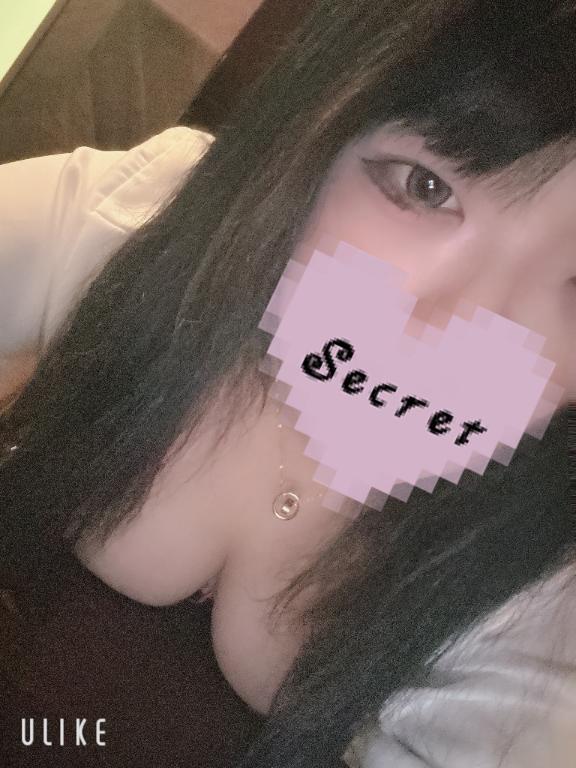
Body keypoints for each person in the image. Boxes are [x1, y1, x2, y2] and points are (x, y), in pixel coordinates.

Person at [0, 1, 574, 766]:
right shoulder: (156, 223)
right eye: (426, 187)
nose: (453, 328)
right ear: (322, 125)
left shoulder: (542, 603)